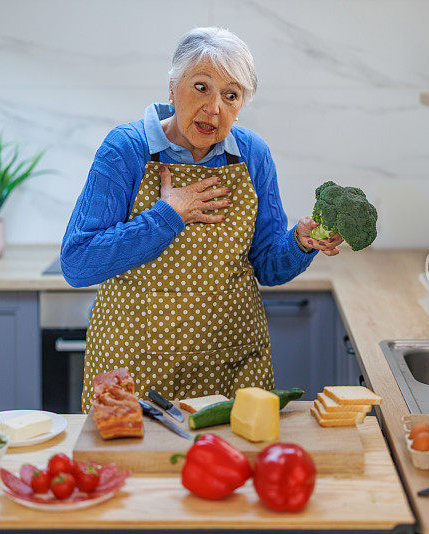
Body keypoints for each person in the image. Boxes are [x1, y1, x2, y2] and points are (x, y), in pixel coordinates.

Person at [61, 27, 343, 411]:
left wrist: (299, 242)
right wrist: (167, 216)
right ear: (172, 87)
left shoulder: (252, 154)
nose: (214, 109)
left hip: (232, 366)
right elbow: (77, 263)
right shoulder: (125, 149)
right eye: (201, 87)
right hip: (136, 368)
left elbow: (267, 266)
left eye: (231, 95)